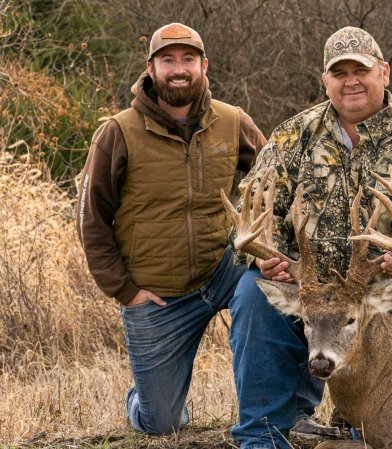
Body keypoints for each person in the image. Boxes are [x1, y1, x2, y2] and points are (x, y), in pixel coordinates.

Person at [75, 22, 336, 444]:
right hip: (157, 292)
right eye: (168, 60)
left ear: (203, 65)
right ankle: (143, 400)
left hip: (224, 269)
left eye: (188, 59)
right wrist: (125, 290)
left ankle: (292, 411)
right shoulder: (117, 133)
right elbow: (90, 218)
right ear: (151, 68)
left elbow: (282, 187)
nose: (179, 69)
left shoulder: (233, 122)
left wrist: (271, 254)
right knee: (161, 422)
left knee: (284, 285)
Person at [234, 25, 392, 439]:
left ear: (383, 72)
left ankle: (360, 421)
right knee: (249, 290)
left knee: (384, 428)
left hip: (390, 294)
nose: (351, 81)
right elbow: (254, 203)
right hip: (313, 292)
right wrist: (263, 253)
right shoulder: (294, 136)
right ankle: (269, 428)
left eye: (361, 70)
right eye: (340, 72)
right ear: (325, 80)